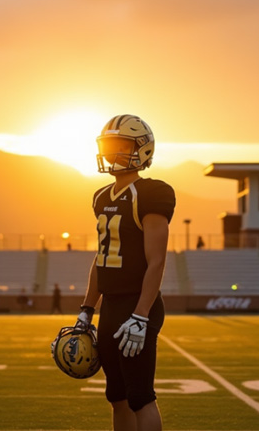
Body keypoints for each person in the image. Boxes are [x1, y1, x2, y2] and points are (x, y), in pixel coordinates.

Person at [75, 114, 175, 431]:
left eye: (121, 145)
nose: (113, 153)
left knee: (140, 396)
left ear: (143, 150)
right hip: (111, 307)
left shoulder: (151, 193)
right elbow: (101, 258)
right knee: (116, 395)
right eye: (110, 146)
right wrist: (86, 310)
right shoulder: (101, 197)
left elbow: (156, 261)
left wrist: (142, 315)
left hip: (137, 305)